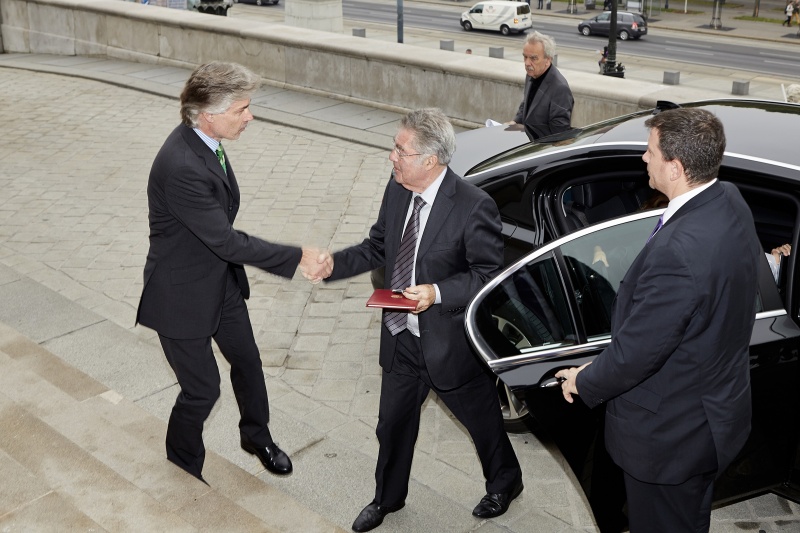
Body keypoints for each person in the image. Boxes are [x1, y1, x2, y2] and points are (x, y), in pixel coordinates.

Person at [556, 108, 761, 532]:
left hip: (669, 439)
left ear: (677, 166)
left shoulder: (678, 253)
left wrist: (584, 379)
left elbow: (637, 353)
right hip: (711, 415)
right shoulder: (728, 200)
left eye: (650, 152)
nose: (644, 159)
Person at [327, 108, 523, 532]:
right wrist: (334, 265)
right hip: (401, 336)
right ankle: (387, 500)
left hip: (450, 343)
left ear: (430, 160)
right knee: (391, 426)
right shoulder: (398, 189)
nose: (392, 156)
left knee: (482, 424)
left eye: (401, 150)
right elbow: (377, 246)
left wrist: (436, 293)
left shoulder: (473, 206)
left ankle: (506, 481)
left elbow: (488, 276)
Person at [136, 61, 332, 482]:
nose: (250, 116)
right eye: (241, 109)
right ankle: (183, 465)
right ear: (208, 113)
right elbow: (225, 240)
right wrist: (296, 256)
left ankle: (255, 435)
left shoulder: (207, 142)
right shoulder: (182, 165)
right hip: (181, 296)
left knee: (248, 361)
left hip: (219, 283)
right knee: (203, 389)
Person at [509, 31, 574, 139]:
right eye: (525, 57)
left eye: (533, 58)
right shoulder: (531, 74)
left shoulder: (560, 88)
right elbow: (526, 104)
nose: (527, 63)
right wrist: (515, 121)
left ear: (548, 60)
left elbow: (559, 133)